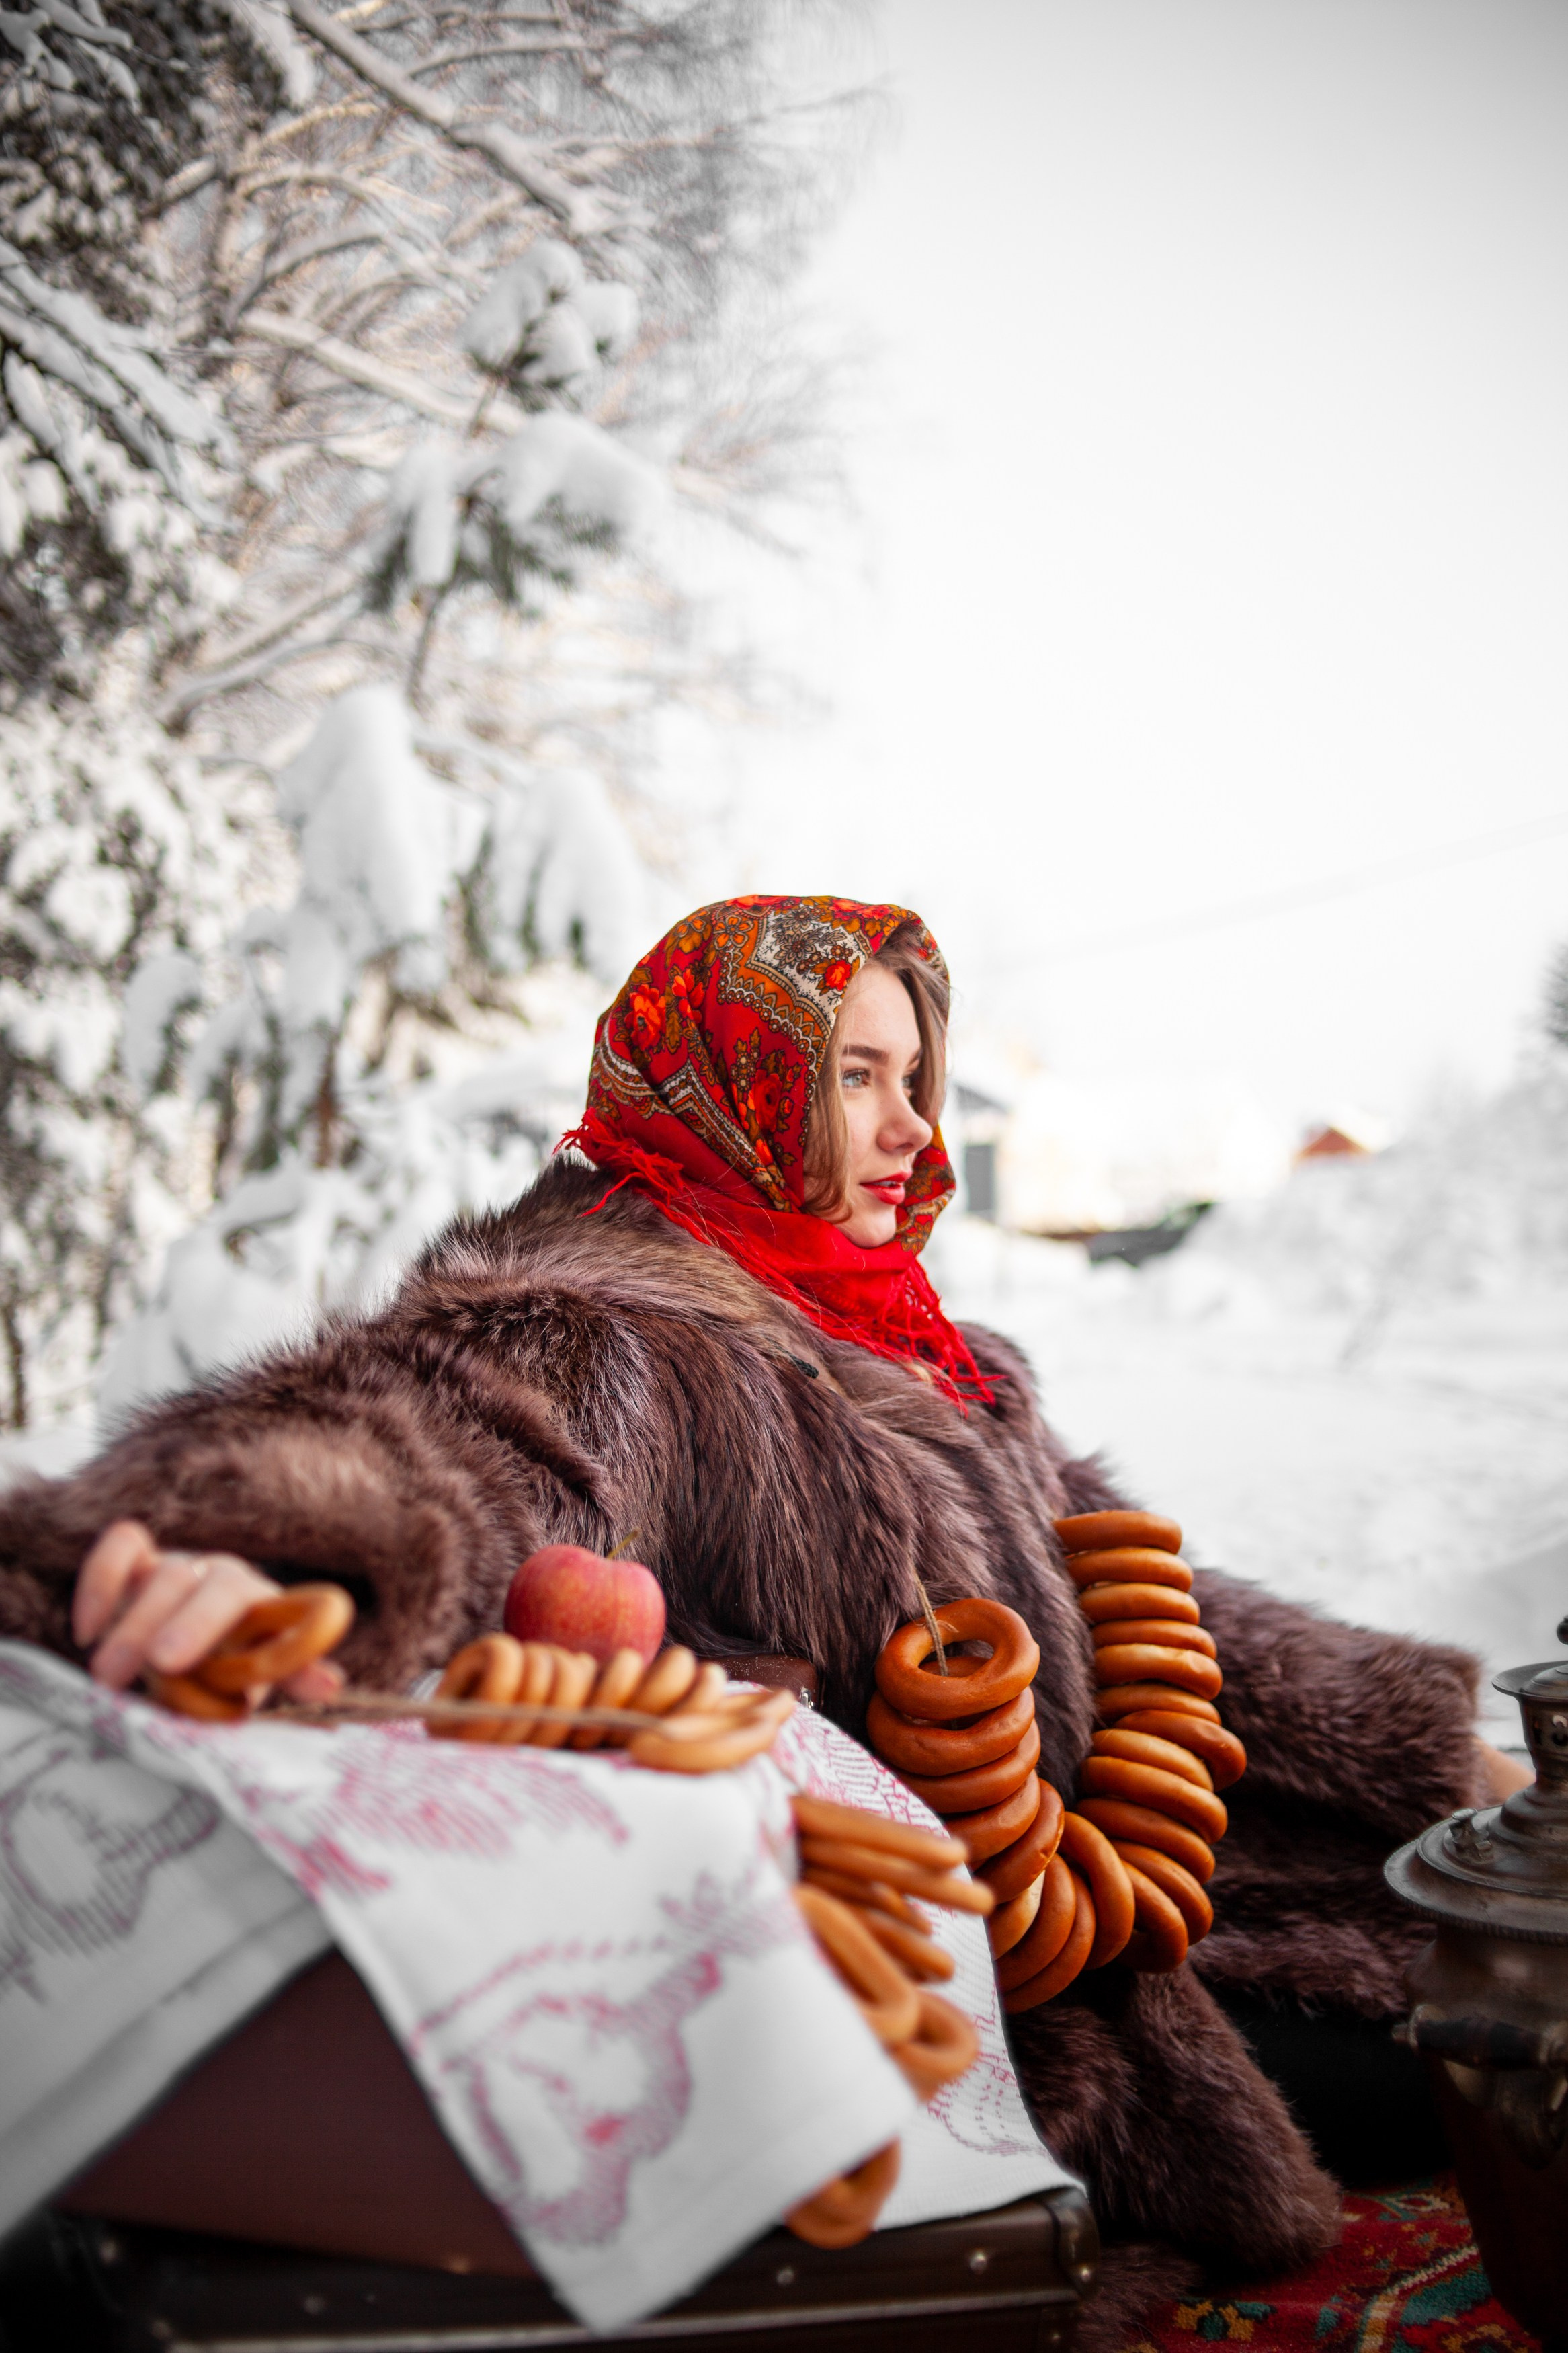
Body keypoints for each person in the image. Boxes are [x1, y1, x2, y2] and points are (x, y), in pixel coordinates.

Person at [0, 895, 1511, 2339]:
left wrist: (1428, 1743)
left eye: (917, 1074)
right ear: (736, 1073)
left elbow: (1138, 1605)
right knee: (1481, 2062)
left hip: (1123, 1895)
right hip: (959, 1994)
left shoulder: (925, 1346)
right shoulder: (602, 1320)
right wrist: (260, 1552)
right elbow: (436, 1436)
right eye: (857, 1075)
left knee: (1491, 1944)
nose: (914, 1123)